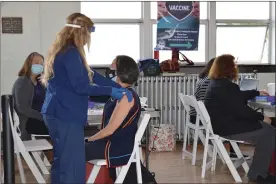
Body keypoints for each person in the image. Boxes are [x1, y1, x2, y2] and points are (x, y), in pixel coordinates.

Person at [41, 13, 133, 184]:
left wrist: (117, 87)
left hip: (55, 112)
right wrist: (111, 91)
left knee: (62, 161)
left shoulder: (65, 50)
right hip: (65, 115)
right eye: (88, 34)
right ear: (82, 32)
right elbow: (81, 87)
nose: (88, 39)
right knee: (73, 164)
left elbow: (92, 75)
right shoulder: (71, 53)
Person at [204, 54, 275, 183]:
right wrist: (262, 117)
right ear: (228, 68)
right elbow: (242, 111)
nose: (236, 67)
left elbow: (236, 97)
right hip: (229, 127)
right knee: (269, 132)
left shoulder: (217, 84)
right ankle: (259, 174)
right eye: (234, 65)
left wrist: (256, 92)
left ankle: (259, 171)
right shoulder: (227, 86)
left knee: (268, 130)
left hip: (222, 125)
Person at [85, 55, 154, 183]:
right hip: (111, 143)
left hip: (115, 147)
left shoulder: (126, 97)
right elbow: (97, 90)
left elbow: (109, 130)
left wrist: (89, 139)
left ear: (120, 72)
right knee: (75, 148)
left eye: (113, 68)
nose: (110, 71)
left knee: (74, 150)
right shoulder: (119, 92)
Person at [190, 58, 251, 160]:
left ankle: (231, 150)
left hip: (197, 115)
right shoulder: (211, 82)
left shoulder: (203, 79)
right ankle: (234, 152)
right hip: (203, 117)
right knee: (236, 117)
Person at [12, 52, 49, 141]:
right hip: (30, 121)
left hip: (41, 119)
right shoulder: (23, 82)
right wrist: (44, 117)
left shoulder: (40, 82)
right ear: (29, 64)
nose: (39, 65)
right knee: (61, 128)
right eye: (36, 63)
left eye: (41, 63)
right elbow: (23, 109)